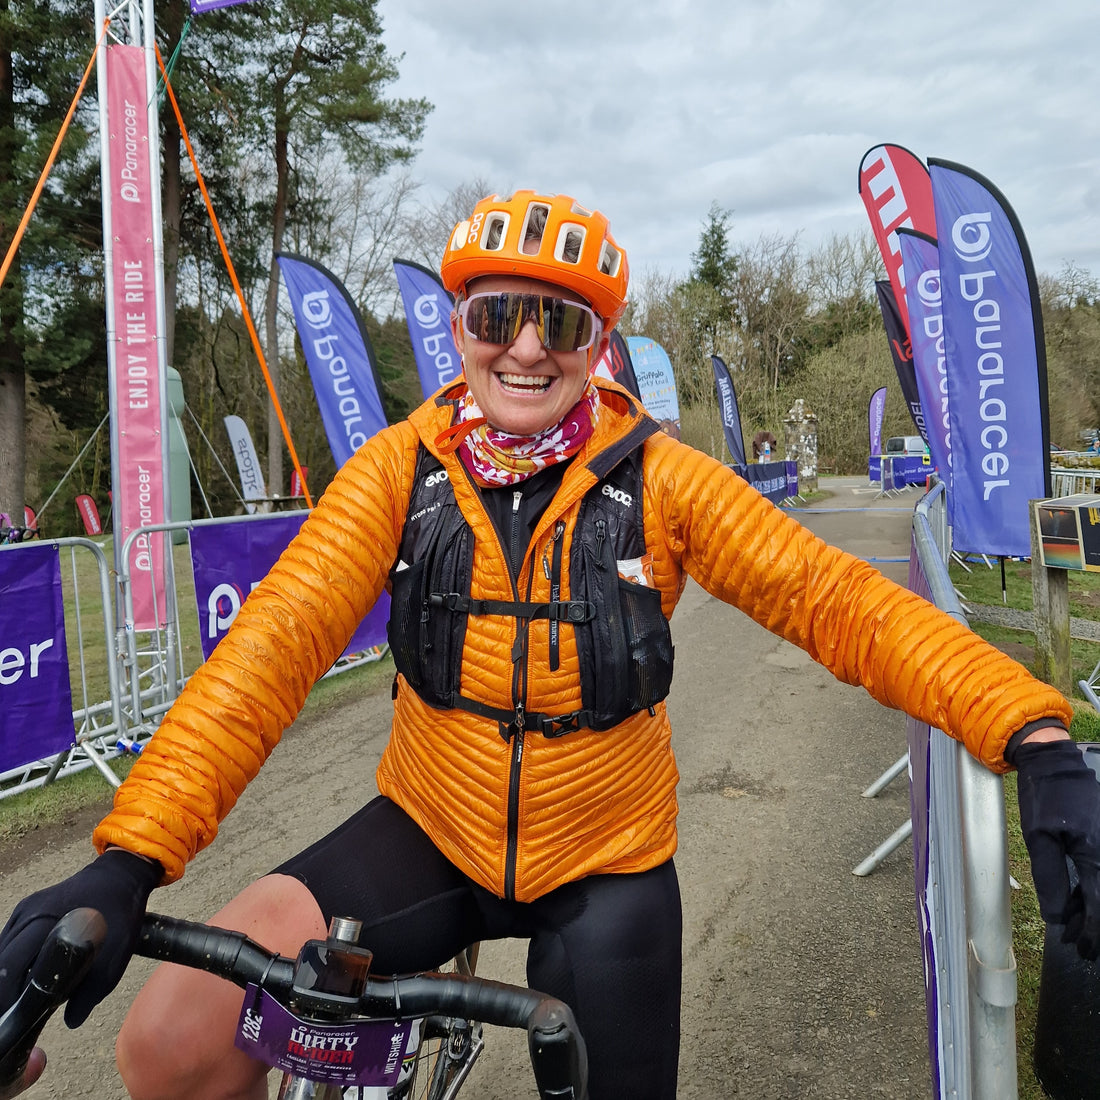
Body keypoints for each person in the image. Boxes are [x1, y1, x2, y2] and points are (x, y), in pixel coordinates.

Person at [0, 189, 1097, 1100]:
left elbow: (841, 603)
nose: (527, 348)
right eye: (499, 316)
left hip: (604, 858)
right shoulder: (394, 470)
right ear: (461, 328)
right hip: (427, 826)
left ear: (595, 346)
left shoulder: (661, 476)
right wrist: (128, 857)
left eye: (561, 324)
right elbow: (263, 656)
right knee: (170, 1044)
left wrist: (1032, 730)